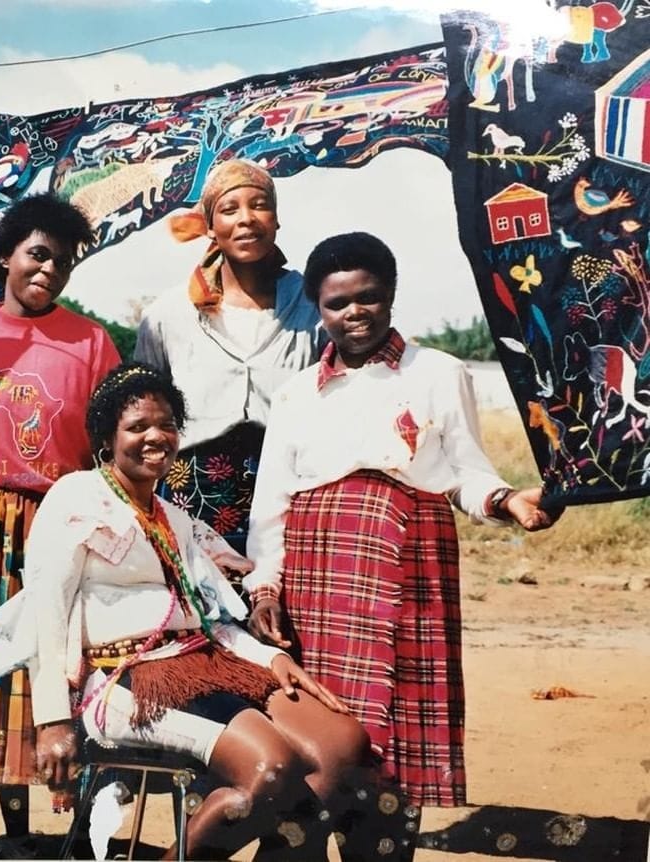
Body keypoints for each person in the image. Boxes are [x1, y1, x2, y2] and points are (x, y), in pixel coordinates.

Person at [0, 362, 392, 861]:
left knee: (343, 744)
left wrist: (271, 658)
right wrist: (51, 720)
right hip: (122, 680)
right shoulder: (75, 496)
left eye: (166, 425)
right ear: (107, 439)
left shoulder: (175, 519)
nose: (155, 436)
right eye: (137, 426)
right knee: (270, 771)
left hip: (203, 663)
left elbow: (207, 616)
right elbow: (46, 608)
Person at [246, 232, 557, 819]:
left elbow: (466, 474)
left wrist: (506, 501)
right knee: (321, 737)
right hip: (318, 584)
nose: (355, 312)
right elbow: (271, 507)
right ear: (318, 308)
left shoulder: (438, 372)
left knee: (395, 755)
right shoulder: (294, 396)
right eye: (337, 303)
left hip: (410, 573)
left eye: (368, 296)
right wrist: (266, 588)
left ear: (390, 293)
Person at [0, 193, 121, 840]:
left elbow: (111, 441)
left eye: (63, 262)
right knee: (1, 671)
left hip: (63, 518)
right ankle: (16, 834)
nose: (49, 270)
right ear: (5, 258)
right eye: (38, 255)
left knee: (69, 663)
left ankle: (83, 833)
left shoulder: (92, 342)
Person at [134, 158, 323, 556]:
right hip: (193, 491)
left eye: (260, 205)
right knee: (199, 594)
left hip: (292, 486)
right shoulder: (168, 314)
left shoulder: (314, 305)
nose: (246, 219)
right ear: (209, 225)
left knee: (284, 590)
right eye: (229, 209)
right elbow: (143, 412)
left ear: (276, 220)